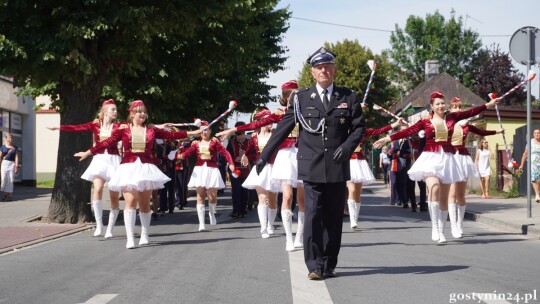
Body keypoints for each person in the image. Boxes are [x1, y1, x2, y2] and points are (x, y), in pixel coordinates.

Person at [255, 47, 365, 279]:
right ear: (313, 72)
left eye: (328, 66)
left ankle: (329, 262)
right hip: (311, 164)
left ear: (334, 70)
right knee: (313, 214)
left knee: (334, 217)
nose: (324, 70)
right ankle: (314, 265)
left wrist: (346, 148)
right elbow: (283, 129)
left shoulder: (348, 97)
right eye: (319, 67)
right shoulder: (301, 98)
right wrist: (264, 156)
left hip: (337, 164)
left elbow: (359, 129)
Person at [374, 91, 498, 243]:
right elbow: (408, 131)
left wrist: (488, 105)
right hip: (430, 157)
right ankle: (435, 227)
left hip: (447, 158)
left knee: (444, 198)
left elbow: (471, 112)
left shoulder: (452, 117)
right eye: (437, 103)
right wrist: (388, 138)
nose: (441, 106)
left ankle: (442, 229)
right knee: (434, 187)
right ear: (432, 106)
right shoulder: (425, 121)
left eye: (442, 103)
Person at [75, 100, 200, 249]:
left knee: (144, 204)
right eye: (139, 111)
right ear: (132, 114)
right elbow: (106, 143)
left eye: (144, 111)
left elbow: (171, 135)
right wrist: (88, 152)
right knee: (130, 202)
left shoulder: (152, 130)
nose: (142, 114)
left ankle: (145, 234)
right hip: (128, 168)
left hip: (146, 168)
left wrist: (193, 132)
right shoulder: (124, 130)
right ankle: (130, 238)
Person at [218, 80, 306, 251]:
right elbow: (256, 124)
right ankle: (289, 238)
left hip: (303, 155)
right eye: (293, 96)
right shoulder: (280, 115)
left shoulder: (307, 113)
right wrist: (232, 130)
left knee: (302, 201)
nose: (297, 98)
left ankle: (300, 236)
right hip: (285, 157)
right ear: (287, 98)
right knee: (287, 196)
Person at [47, 99, 122, 238]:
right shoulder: (95, 125)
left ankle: (110, 228)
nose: (116, 112)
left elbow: (137, 127)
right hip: (99, 160)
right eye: (113, 109)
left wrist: (160, 126)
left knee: (114, 196)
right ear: (104, 111)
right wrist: (59, 128)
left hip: (114, 161)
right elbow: (77, 128)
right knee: (97, 189)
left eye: (116, 109)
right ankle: (99, 225)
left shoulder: (119, 126)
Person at [448, 97, 501, 238]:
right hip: (451, 157)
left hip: (463, 157)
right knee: (452, 193)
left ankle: (460, 224)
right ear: (450, 109)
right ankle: (453, 225)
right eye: (455, 107)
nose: (458, 109)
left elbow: (481, 132)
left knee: (461, 194)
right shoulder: (447, 122)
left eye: (459, 107)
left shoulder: (466, 125)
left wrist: (497, 132)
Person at [347, 117, 402, 229]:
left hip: (360, 162)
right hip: (348, 161)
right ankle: (352, 219)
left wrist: (395, 124)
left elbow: (379, 131)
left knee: (358, 191)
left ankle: (355, 217)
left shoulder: (363, 131)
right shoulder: (343, 130)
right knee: (351, 190)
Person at [179, 121, 235, 232]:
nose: (204, 132)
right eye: (202, 130)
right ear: (200, 132)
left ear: (210, 131)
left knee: (212, 197)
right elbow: (187, 153)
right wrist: (179, 155)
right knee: (200, 196)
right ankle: (201, 223)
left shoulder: (214, 141)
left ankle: (212, 213)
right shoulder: (195, 143)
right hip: (199, 170)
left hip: (212, 170)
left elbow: (225, 152)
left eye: (207, 130)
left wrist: (231, 163)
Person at [239, 108, 280, 239]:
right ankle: (263, 227)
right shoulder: (254, 137)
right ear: (261, 121)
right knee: (262, 198)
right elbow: (248, 149)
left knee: (273, 201)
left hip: (274, 168)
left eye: (272, 119)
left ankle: (270, 224)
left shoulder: (276, 134)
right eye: (268, 119)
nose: (271, 122)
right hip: (260, 169)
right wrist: (245, 156)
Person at [225, 122, 256, 218]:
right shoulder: (231, 143)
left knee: (244, 191)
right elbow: (227, 155)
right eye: (238, 134)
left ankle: (243, 210)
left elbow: (254, 155)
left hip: (246, 170)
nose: (240, 136)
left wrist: (246, 157)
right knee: (236, 191)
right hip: (235, 170)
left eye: (242, 133)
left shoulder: (249, 142)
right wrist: (234, 159)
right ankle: (236, 211)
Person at [519, 128, 540, 203]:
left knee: (539, 180)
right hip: (533, 163)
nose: (537, 134)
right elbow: (525, 154)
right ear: (533, 134)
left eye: (538, 133)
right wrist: (521, 165)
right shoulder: (530, 142)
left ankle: (538, 193)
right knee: (534, 178)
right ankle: (537, 194)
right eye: (535, 133)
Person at [0, 133, 20, 201]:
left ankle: (9, 195)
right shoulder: (2, 147)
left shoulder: (15, 147)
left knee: (11, 180)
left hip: (12, 164)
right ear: (6, 139)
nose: (11, 139)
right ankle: (5, 193)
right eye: (9, 138)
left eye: (11, 138)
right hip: (4, 164)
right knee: (4, 179)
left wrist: (16, 166)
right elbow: (0, 157)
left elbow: (16, 157)